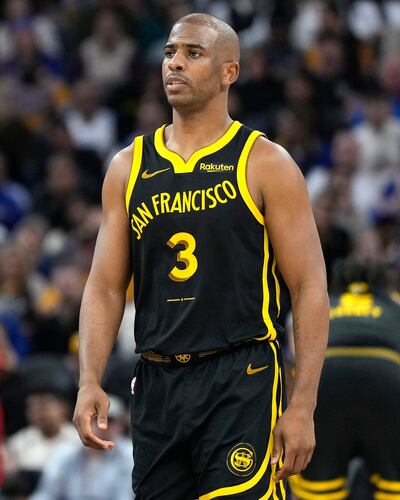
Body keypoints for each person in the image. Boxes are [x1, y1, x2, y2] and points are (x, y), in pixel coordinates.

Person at [73, 13, 329, 500]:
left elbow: (310, 286)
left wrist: (303, 405)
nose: (175, 63)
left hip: (241, 376)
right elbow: (104, 287)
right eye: (170, 52)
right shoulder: (128, 167)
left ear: (229, 72)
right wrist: (89, 379)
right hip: (157, 382)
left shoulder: (265, 162)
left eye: (193, 53)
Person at [290, 257, 400, 499]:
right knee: (394, 489)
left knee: (317, 492)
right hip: (387, 377)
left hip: (326, 378)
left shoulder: (321, 303)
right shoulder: (394, 302)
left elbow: (293, 358)